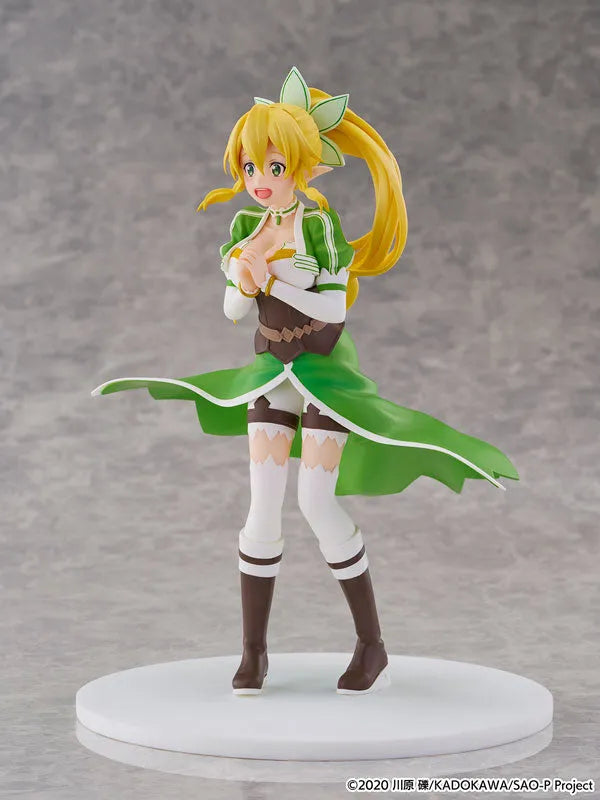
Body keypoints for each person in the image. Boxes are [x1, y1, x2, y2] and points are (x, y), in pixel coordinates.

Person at [92, 67, 519, 697]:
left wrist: (271, 276)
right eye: (250, 167)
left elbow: (332, 309)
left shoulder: (318, 229)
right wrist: (243, 278)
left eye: (274, 166)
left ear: (304, 166)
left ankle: (371, 645)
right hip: (271, 371)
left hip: (323, 374)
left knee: (317, 502)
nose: (260, 180)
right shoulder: (245, 228)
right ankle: (253, 652)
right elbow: (234, 312)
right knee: (262, 505)